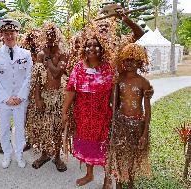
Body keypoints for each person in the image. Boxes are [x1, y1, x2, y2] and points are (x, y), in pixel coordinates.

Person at [62, 28, 114, 186]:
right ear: (83, 49)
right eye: (88, 45)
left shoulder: (108, 68)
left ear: (102, 48)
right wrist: (64, 111)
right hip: (83, 115)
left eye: (95, 45)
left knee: (105, 145)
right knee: (87, 144)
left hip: (102, 114)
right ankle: (89, 174)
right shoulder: (78, 67)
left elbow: (114, 92)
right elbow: (71, 90)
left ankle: (107, 177)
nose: (91, 48)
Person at [0, 19, 33, 168]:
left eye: (12, 33)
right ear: (2, 35)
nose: (9, 37)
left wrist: (20, 96)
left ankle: (19, 155)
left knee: (20, 128)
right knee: (4, 128)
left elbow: (29, 77)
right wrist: (6, 98)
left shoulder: (26, 54)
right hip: (3, 101)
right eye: (6, 34)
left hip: (20, 100)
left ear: (17, 34)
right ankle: (7, 155)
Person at [107, 43, 152, 189]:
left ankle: (131, 182)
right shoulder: (119, 79)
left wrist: (144, 133)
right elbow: (113, 103)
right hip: (121, 123)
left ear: (140, 62)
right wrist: (114, 85)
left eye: (133, 60)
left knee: (133, 155)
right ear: (122, 61)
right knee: (119, 154)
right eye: (126, 60)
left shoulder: (143, 82)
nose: (129, 63)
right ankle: (119, 182)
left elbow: (147, 108)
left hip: (137, 124)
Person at [26, 22, 68, 172]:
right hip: (43, 96)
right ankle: (44, 154)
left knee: (57, 128)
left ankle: (57, 156)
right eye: (47, 35)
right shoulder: (40, 54)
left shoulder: (62, 54)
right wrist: (37, 98)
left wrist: (49, 60)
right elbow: (37, 77)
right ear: (44, 36)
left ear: (57, 36)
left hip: (57, 96)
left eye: (53, 35)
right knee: (43, 127)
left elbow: (57, 73)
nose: (50, 38)